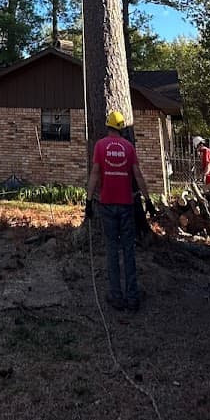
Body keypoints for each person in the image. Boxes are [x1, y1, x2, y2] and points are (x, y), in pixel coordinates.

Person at [85, 111, 152, 312]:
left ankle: (116, 296)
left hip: (107, 204)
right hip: (126, 205)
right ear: (122, 128)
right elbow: (138, 175)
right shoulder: (129, 147)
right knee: (129, 250)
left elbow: (94, 173)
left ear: (108, 126)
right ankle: (133, 297)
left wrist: (88, 201)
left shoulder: (100, 146)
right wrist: (148, 200)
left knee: (112, 250)